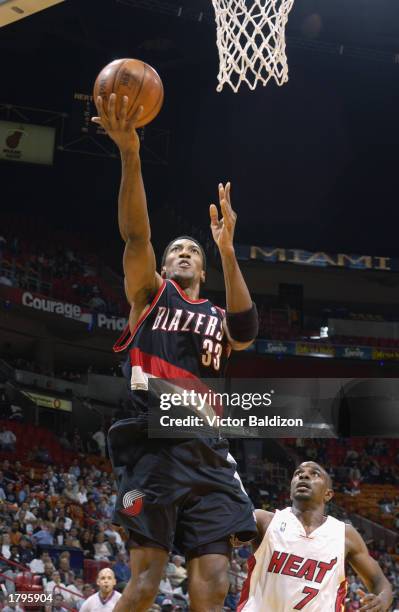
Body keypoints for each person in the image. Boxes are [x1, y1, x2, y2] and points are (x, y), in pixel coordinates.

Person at [92, 93, 258, 612]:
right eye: (175, 251)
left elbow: (247, 330)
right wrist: (130, 151)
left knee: (213, 577)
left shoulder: (215, 311)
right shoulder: (150, 294)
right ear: (164, 267)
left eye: (192, 251)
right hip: (154, 442)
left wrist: (228, 252)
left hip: (208, 449)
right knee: (144, 582)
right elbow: (136, 233)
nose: (183, 253)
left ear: (203, 270)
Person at [238, 461, 393, 611]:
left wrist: (382, 600)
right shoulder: (264, 521)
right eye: (298, 473)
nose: (304, 476)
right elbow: (223, 539)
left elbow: (379, 581)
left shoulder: (345, 534)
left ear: (328, 494)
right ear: (291, 491)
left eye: (314, 474)